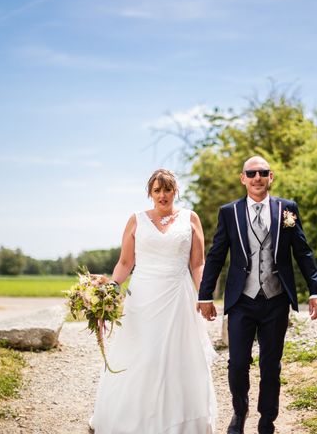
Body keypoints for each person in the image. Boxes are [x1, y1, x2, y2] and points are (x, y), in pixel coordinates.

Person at [197, 156, 317, 434]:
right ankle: (239, 411)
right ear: (243, 178)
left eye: (263, 173)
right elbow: (217, 255)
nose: (257, 177)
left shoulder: (287, 210)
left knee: (270, 364)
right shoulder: (229, 212)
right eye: (251, 173)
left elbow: (302, 252)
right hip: (242, 300)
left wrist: (315, 290)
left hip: (276, 300)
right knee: (238, 362)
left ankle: (267, 421)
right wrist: (205, 295)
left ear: (271, 177)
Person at [90, 169, 216, 434]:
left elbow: (197, 263)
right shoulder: (136, 220)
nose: (162, 195)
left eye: (167, 189)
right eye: (157, 190)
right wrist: (111, 289)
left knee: (178, 357)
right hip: (143, 297)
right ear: (150, 193)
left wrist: (203, 295)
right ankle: (133, 421)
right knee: (143, 356)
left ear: (175, 191)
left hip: (179, 296)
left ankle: (179, 422)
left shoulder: (190, 218)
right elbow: (125, 263)